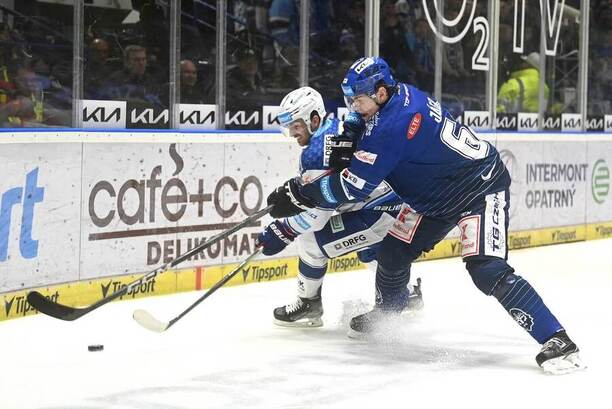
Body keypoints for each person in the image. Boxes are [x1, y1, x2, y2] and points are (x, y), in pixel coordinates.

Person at [265, 56, 583, 374]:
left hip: (478, 189)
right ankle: (389, 312)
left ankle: (557, 340)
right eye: (350, 99)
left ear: (379, 93)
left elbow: (352, 189)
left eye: (357, 100)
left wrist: (299, 193)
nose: (353, 105)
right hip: (433, 198)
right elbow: (358, 122)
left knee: (486, 268)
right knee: (393, 252)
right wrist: (349, 134)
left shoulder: (394, 125)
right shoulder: (394, 95)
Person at [256, 85, 423, 328]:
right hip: (391, 204)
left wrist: (284, 230)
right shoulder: (333, 128)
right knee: (370, 251)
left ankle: (308, 303)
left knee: (311, 242)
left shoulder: (314, 154)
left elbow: (318, 216)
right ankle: (406, 294)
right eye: (288, 127)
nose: (292, 133)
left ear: (314, 119)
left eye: (296, 125)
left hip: (377, 212)